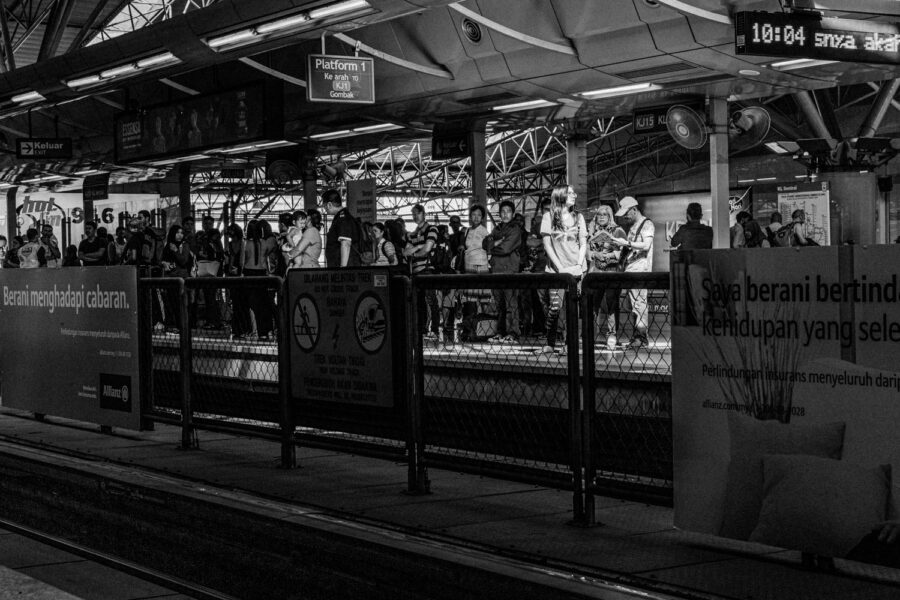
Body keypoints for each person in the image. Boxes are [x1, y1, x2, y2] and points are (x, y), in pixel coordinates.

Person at [540, 185, 587, 354]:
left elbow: (583, 243)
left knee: (573, 309)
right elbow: (547, 245)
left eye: (574, 192)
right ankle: (550, 342)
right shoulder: (548, 217)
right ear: (560, 196)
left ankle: (570, 344)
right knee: (555, 307)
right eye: (570, 193)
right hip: (556, 271)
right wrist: (561, 269)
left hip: (576, 268)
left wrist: (579, 265)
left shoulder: (578, 217)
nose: (574, 195)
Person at [609, 196, 654, 349]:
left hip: (640, 271)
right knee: (635, 305)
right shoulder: (633, 227)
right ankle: (637, 337)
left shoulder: (647, 224)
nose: (625, 217)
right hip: (631, 270)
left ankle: (641, 338)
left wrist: (627, 243)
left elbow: (646, 245)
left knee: (639, 304)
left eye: (627, 214)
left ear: (634, 210)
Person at [587, 204, 626, 349]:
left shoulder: (618, 231)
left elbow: (622, 253)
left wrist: (607, 255)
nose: (601, 216)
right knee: (593, 304)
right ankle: (589, 334)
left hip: (612, 272)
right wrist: (594, 254)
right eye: (599, 214)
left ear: (610, 216)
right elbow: (587, 252)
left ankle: (612, 334)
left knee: (611, 304)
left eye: (605, 214)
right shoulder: (593, 232)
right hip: (596, 273)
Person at [483, 200, 523, 343]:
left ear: (513, 213)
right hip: (496, 270)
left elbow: (506, 248)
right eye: (503, 212)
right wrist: (496, 242)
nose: (505, 214)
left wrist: (493, 245)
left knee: (511, 304)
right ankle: (500, 332)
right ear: (499, 214)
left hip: (509, 270)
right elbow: (485, 243)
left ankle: (513, 333)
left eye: (508, 211)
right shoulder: (497, 228)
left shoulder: (515, 229)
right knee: (500, 305)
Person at [404, 203, 440, 340]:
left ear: (423, 214)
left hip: (427, 269)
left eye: (417, 213)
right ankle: (424, 329)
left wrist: (415, 252)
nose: (415, 216)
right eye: (413, 214)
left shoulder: (432, 228)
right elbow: (406, 252)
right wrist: (420, 246)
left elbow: (428, 248)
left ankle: (434, 330)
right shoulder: (412, 234)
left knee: (430, 300)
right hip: (417, 272)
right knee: (420, 302)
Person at [242, 219, 277, 341]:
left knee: (251, 304)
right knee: (263, 304)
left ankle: (254, 330)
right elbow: (270, 252)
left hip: (248, 272)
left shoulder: (245, 244)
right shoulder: (264, 243)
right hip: (261, 273)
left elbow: (242, 261)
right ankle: (265, 330)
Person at [160, 224, 194, 332]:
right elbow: (162, 259)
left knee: (182, 303)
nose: (180, 235)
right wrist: (164, 263)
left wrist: (175, 251)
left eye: (181, 233)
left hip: (181, 278)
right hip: (170, 277)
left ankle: (183, 326)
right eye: (177, 232)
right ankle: (174, 325)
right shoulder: (168, 246)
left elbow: (183, 261)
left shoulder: (184, 245)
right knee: (172, 303)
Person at [323, 188, 362, 268]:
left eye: (324, 206)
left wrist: (342, 270)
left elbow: (346, 243)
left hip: (345, 269)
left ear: (329, 205)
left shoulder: (343, 219)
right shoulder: (341, 218)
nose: (325, 209)